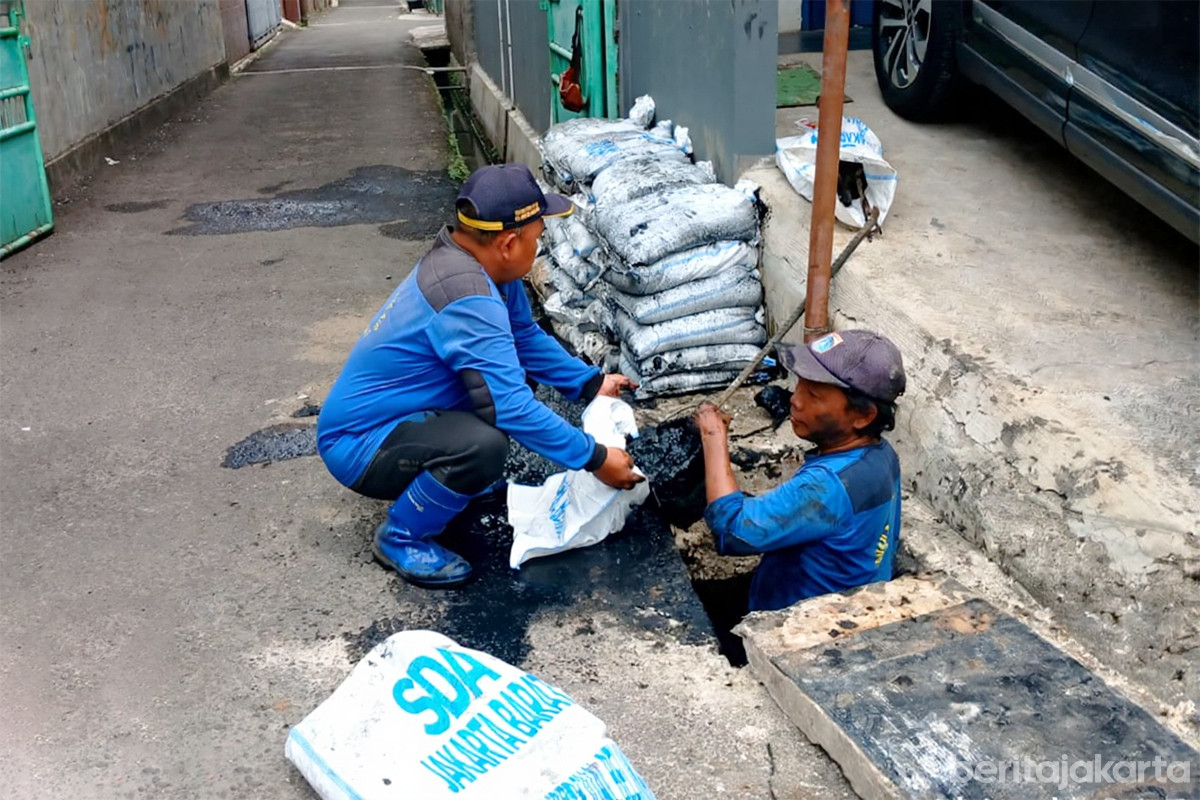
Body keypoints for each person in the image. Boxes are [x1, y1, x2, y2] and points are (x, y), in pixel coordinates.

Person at [317, 164, 643, 588]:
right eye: (538, 238)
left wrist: (590, 383)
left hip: (400, 417)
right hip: (359, 444)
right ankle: (401, 536)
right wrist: (596, 459)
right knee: (484, 444)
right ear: (509, 242)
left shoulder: (480, 264)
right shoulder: (467, 297)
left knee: (507, 383)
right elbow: (509, 408)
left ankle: (445, 487)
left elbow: (522, 336)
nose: (539, 246)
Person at [694, 329, 906, 613]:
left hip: (805, 626)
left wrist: (712, 436)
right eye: (800, 385)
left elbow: (732, 530)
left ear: (863, 415)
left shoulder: (826, 485)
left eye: (814, 394)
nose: (795, 399)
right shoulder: (881, 455)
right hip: (852, 602)